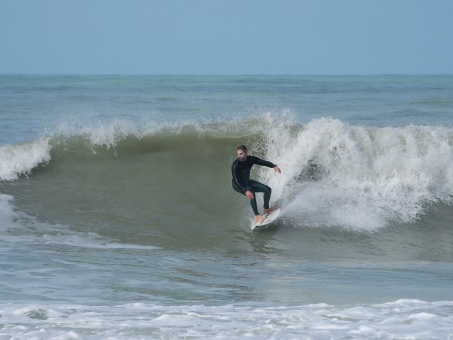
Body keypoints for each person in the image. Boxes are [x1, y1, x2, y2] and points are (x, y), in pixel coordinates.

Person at [231, 145, 281, 224]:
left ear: (246, 153)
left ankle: (266, 209)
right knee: (251, 193)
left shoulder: (251, 159)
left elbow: (263, 162)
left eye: (241, 154)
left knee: (267, 189)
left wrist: (274, 166)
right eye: (238, 154)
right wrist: (245, 190)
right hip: (238, 185)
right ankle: (257, 216)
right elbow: (236, 180)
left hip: (247, 181)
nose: (239, 156)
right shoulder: (235, 164)